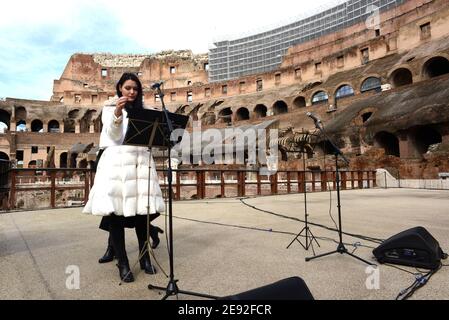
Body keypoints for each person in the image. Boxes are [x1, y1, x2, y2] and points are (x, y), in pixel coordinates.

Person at [83, 72, 165, 283]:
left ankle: (145, 257)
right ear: (120, 88)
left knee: (142, 214)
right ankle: (123, 262)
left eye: (135, 89)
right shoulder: (110, 109)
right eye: (127, 87)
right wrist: (118, 113)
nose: (131, 92)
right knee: (116, 215)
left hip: (140, 163)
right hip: (117, 164)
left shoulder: (144, 110)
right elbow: (113, 136)